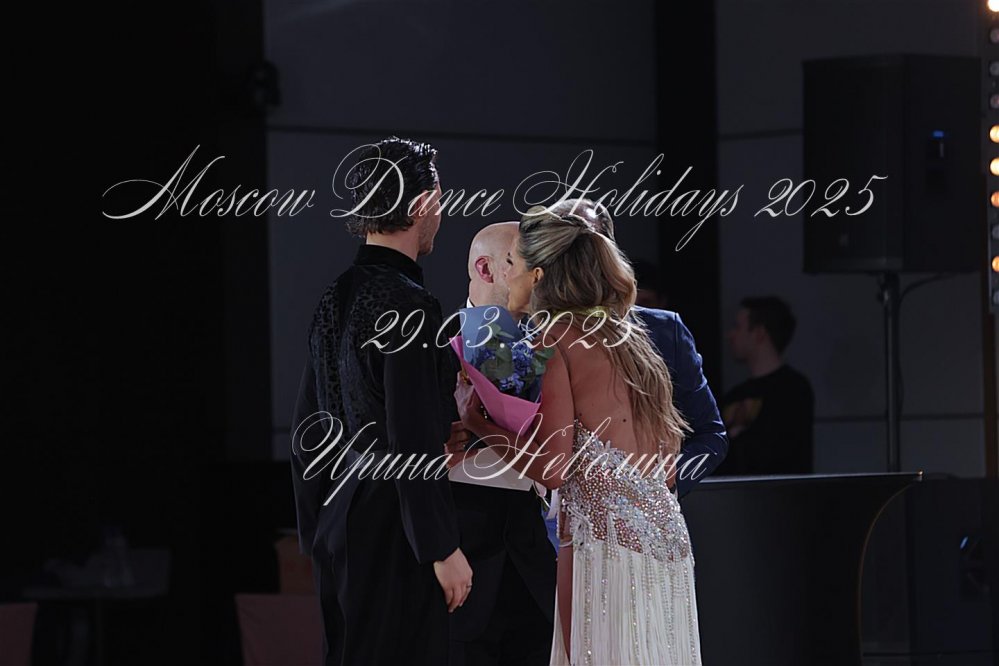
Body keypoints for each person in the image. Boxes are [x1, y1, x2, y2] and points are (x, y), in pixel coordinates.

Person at [455, 206, 703, 665]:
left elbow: (553, 470)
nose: (508, 274)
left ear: (538, 273)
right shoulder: (634, 340)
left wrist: (478, 424)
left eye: (513, 262)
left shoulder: (556, 338)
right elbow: (668, 462)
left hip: (604, 547)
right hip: (666, 541)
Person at [291, 137, 473, 666]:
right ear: (421, 204)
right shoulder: (409, 303)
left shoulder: (334, 296)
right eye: (440, 197)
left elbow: (307, 426)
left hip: (337, 520)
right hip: (395, 526)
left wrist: (316, 531)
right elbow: (408, 435)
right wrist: (440, 547)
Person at [540, 199, 727, 499]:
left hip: (645, 516)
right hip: (548, 518)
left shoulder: (664, 332)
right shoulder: (532, 334)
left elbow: (710, 435)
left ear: (609, 249)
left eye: (586, 242)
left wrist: (662, 490)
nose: (578, 259)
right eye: (564, 247)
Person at [446, 221, 557, 666]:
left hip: (534, 556)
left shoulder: (553, 345)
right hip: (462, 554)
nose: (538, 275)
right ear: (487, 269)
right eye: (523, 261)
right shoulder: (432, 345)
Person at [714, 296, 814, 475]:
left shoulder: (793, 390)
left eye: (738, 327)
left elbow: (777, 456)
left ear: (759, 333)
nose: (730, 335)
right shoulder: (735, 395)